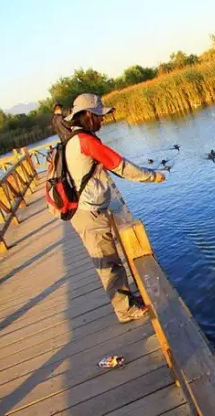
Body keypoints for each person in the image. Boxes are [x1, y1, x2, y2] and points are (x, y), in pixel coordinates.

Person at [64, 93, 166, 323]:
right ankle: (125, 311)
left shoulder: (73, 139)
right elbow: (121, 166)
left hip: (87, 211)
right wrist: (153, 177)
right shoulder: (86, 141)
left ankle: (128, 301)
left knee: (111, 260)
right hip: (88, 213)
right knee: (108, 263)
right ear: (88, 115)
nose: (102, 121)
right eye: (99, 116)